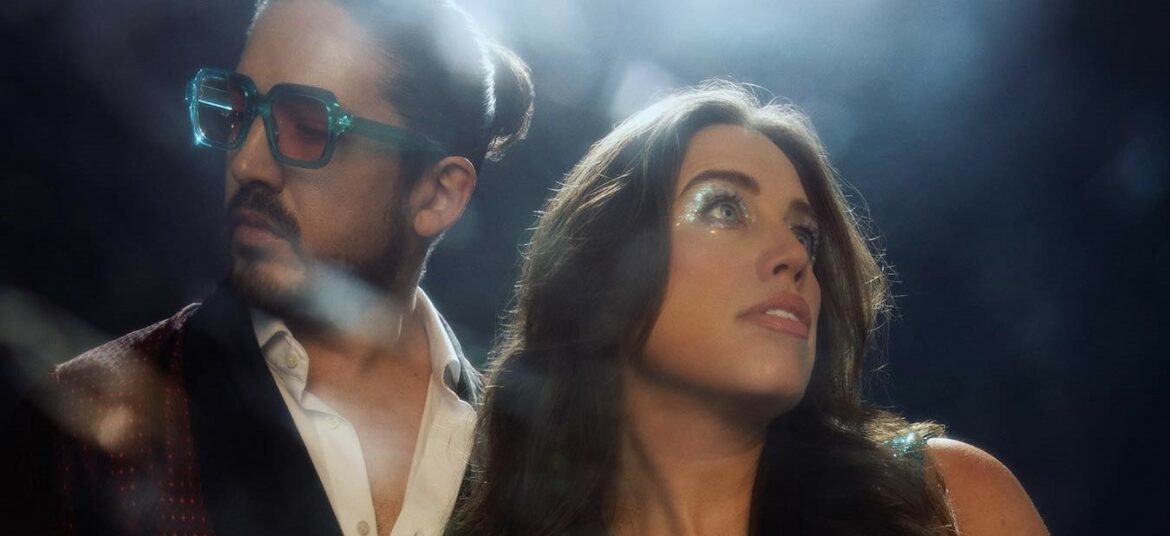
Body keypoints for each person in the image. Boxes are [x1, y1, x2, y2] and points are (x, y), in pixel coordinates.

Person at [11, 0, 533, 534]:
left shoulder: (526, 458)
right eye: (239, 113)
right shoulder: (78, 429)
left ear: (438, 194)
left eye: (308, 127)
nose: (247, 162)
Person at [446, 82, 1047, 535]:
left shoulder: (949, 503)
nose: (794, 254)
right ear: (600, 270)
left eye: (805, 234)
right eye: (726, 209)